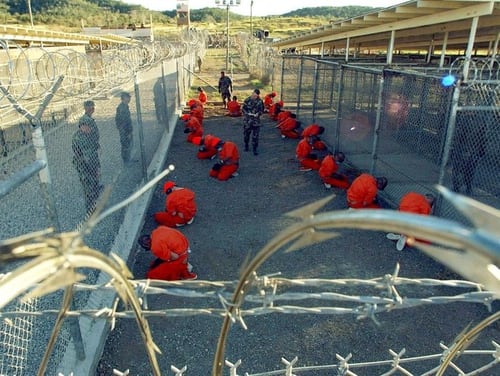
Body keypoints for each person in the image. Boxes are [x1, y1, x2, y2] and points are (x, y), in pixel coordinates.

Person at [72, 100, 102, 214]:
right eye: (86, 126)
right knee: (88, 187)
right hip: (85, 165)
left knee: (94, 184)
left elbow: (93, 148)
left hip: (92, 162)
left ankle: (94, 205)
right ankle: (90, 210)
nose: (88, 128)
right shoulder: (78, 138)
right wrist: (94, 168)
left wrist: (97, 167)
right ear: (81, 126)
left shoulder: (88, 135)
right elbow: (83, 155)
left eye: (92, 107)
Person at [242, 89, 265, 155]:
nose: (254, 97)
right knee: (246, 135)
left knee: (255, 136)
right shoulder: (247, 100)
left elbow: (262, 110)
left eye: (256, 96)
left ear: (258, 95)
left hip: (256, 122)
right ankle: (246, 145)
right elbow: (243, 109)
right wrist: (247, 114)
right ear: (252, 93)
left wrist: (258, 114)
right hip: (247, 121)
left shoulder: (260, 101)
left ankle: (255, 149)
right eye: (253, 95)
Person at [115, 92, 133, 163]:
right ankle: (126, 160)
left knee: (128, 144)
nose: (129, 99)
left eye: (129, 97)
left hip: (126, 130)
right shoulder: (122, 108)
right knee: (126, 145)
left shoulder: (125, 106)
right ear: (123, 98)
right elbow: (122, 121)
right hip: (124, 130)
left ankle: (128, 158)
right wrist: (127, 132)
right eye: (127, 97)